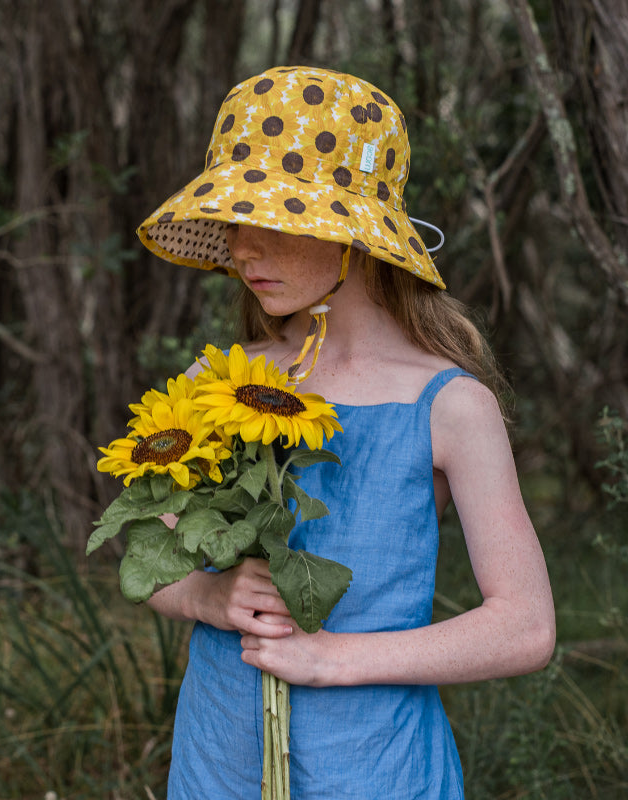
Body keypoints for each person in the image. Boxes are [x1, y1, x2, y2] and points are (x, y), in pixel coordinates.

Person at [135, 65, 555, 799]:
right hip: (216, 761)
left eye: (273, 220)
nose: (241, 247)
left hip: (376, 769)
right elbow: (151, 559)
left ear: (354, 233)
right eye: (235, 220)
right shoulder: (221, 376)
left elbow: (524, 628)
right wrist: (209, 599)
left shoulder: (448, 404)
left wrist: (332, 659)